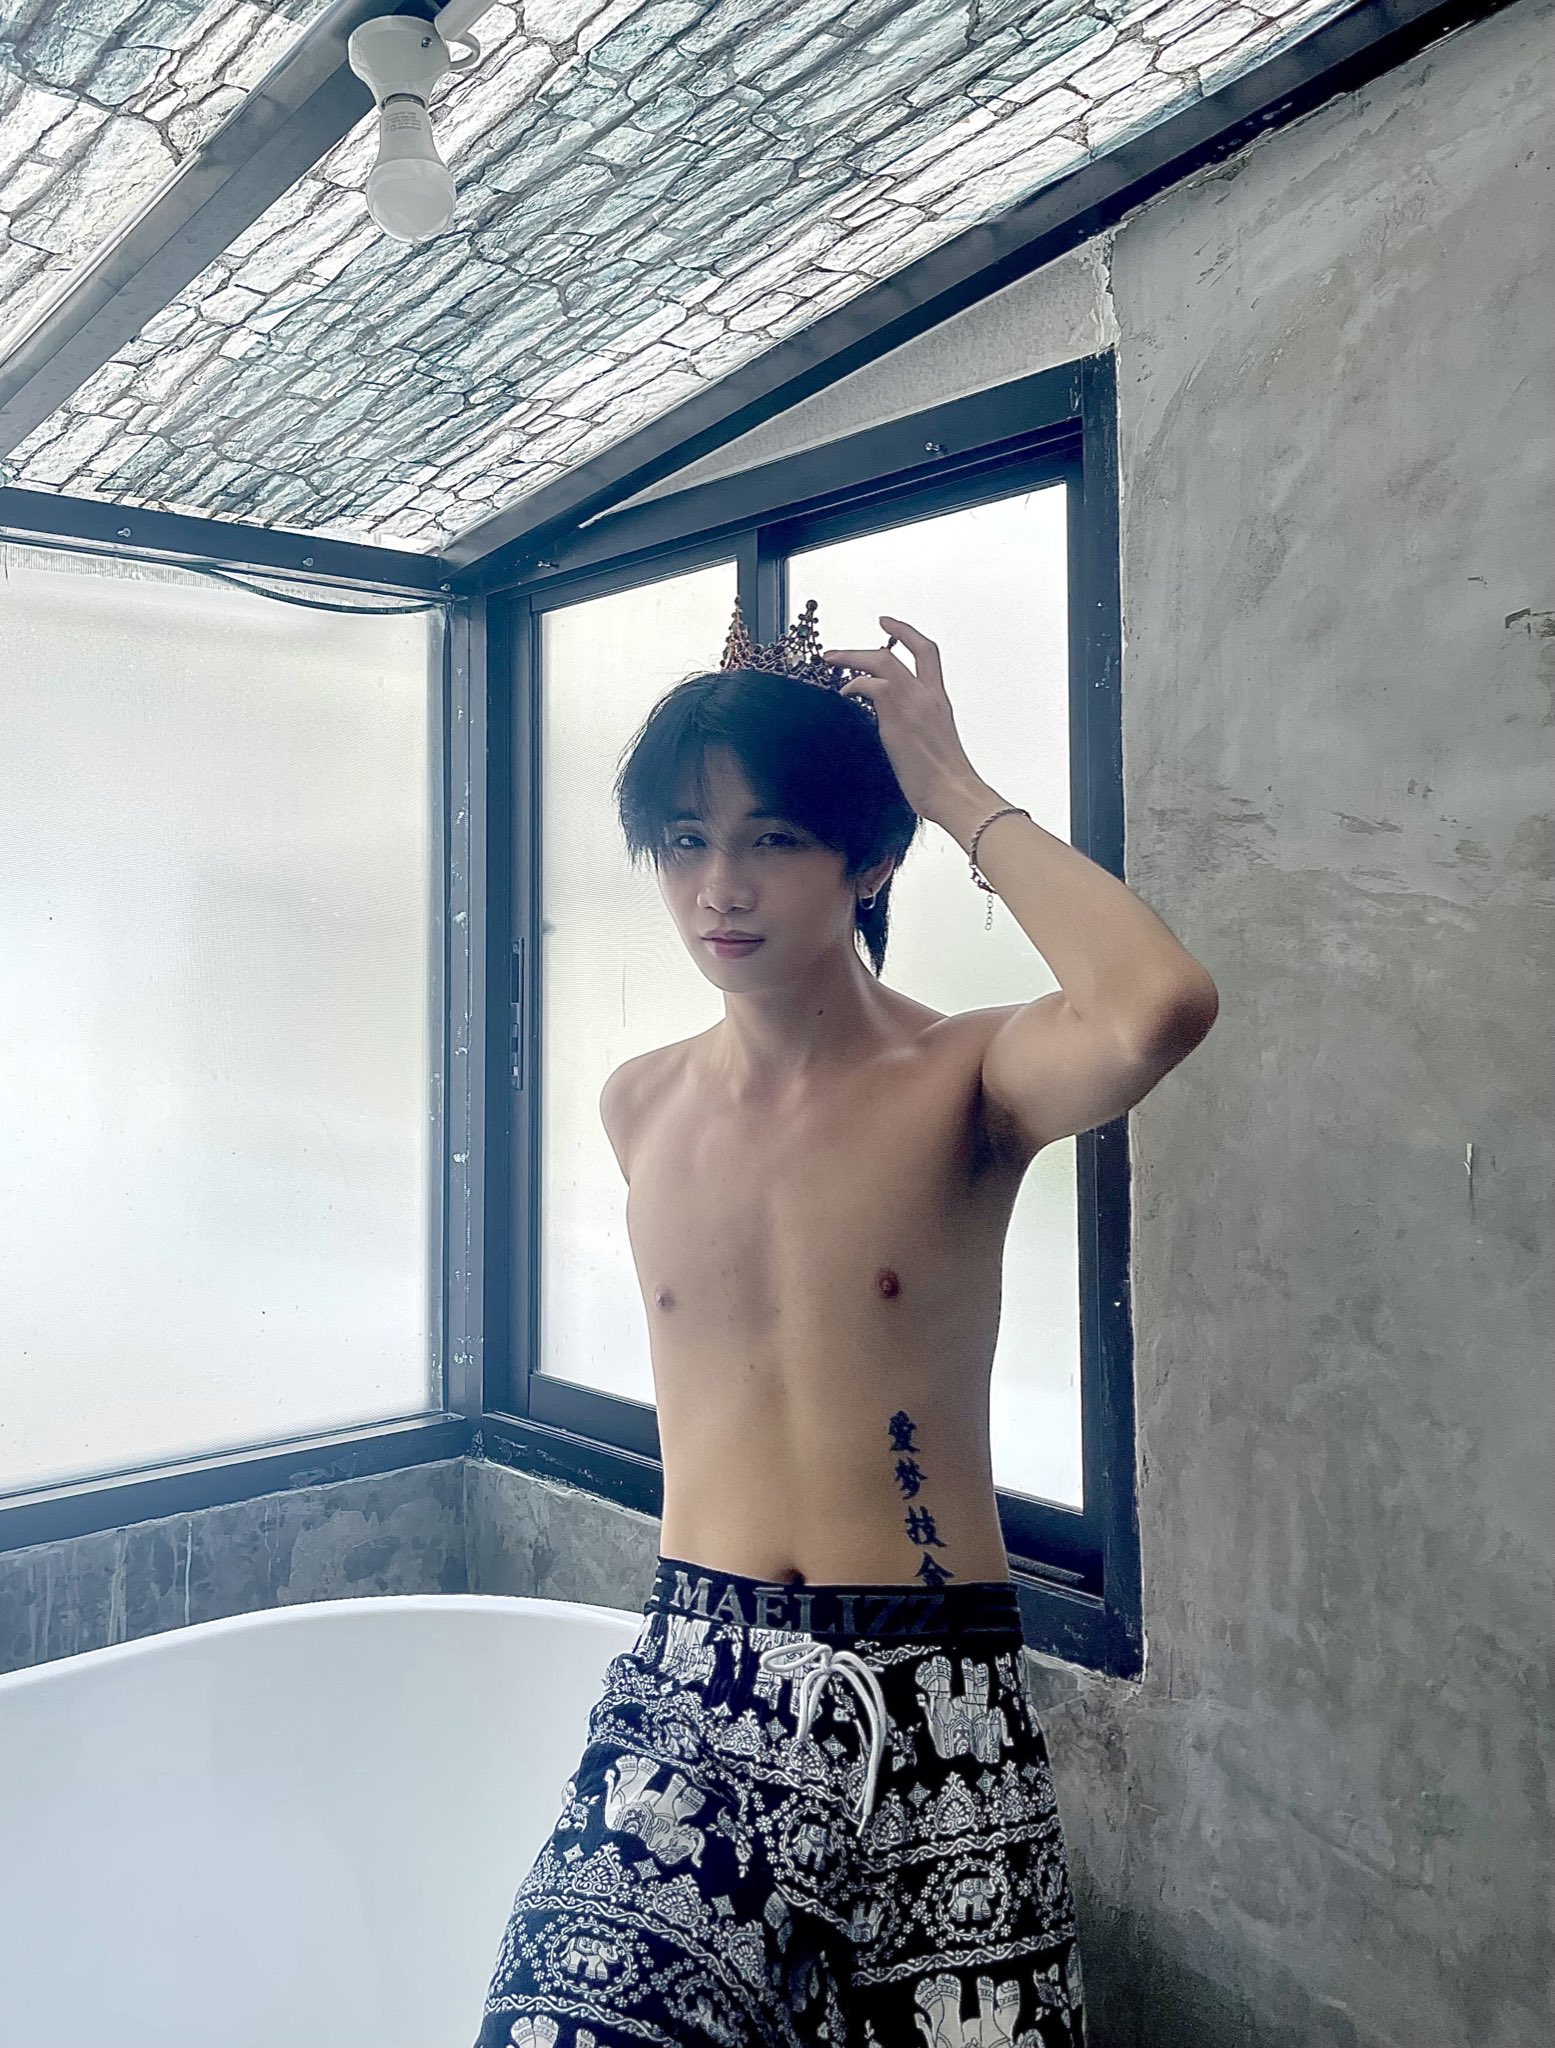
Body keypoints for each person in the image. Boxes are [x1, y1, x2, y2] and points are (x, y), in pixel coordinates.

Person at [476, 601, 1219, 2048]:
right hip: (694, 1684)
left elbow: (1156, 1006)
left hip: (932, 1690)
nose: (720, 886)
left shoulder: (966, 1078)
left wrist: (951, 789)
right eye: (685, 841)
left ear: (868, 858)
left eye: (771, 838)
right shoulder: (640, 1103)